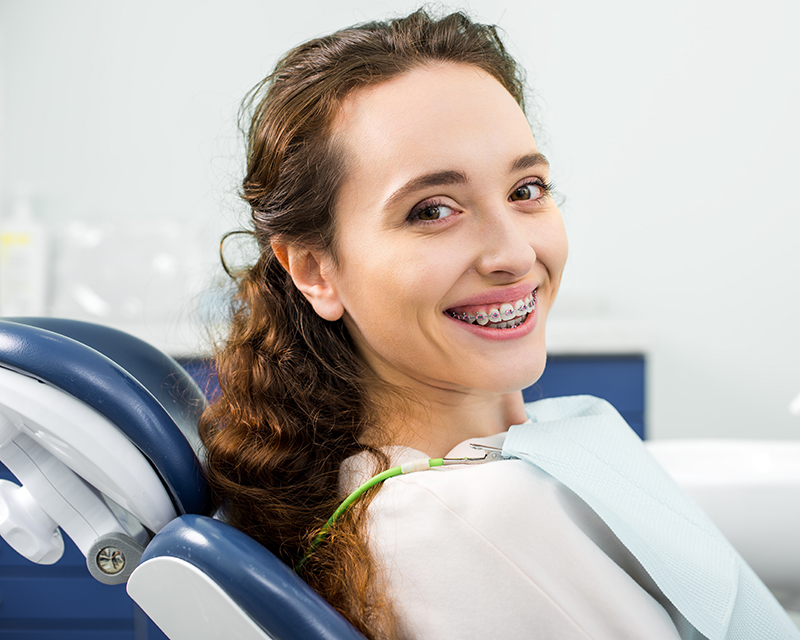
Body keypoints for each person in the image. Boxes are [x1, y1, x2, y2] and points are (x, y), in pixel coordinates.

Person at [199, 9, 798, 640]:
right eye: (433, 210)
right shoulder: (472, 520)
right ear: (316, 269)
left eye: (526, 189)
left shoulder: (505, 464)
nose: (514, 254)